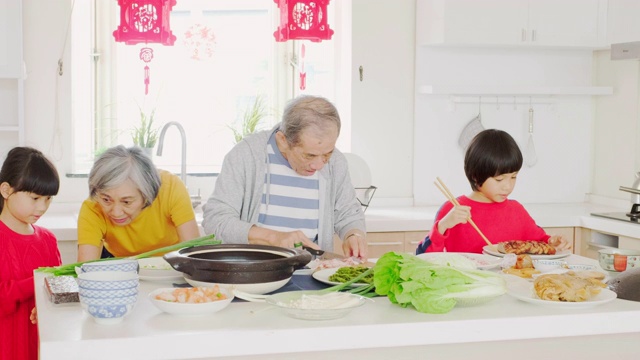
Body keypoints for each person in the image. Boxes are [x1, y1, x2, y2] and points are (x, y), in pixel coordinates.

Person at [202, 95, 367, 259]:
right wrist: (273, 237)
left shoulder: (336, 162)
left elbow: (348, 213)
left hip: (312, 274)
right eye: (309, 156)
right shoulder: (246, 155)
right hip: (253, 274)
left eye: (327, 154)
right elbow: (216, 220)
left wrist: (354, 235)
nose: (319, 165)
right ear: (282, 141)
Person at [416, 129, 571, 254]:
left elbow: (539, 242)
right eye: (499, 179)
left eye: (513, 177)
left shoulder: (516, 210)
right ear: (476, 176)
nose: (508, 186)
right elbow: (423, 258)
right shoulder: (454, 210)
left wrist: (552, 242)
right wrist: (443, 225)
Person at [77, 145, 200, 261]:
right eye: (106, 200)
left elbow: (194, 253)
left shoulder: (171, 188)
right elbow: (85, 269)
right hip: (120, 263)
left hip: (171, 262)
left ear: (147, 195)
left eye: (126, 202)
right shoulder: (93, 206)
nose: (116, 212)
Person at [0, 147, 62, 360]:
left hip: (38, 344)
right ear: (6, 190)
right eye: (35, 198)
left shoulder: (48, 240)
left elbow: (57, 289)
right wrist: (38, 280)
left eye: (48, 199)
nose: (42, 207)